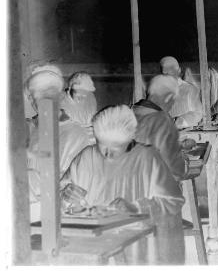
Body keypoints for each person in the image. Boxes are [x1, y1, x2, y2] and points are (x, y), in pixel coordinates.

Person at [61, 105, 185, 264]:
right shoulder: (87, 156)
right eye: (102, 144)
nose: (107, 153)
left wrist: (135, 208)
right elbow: (58, 197)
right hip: (92, 248)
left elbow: (173, 202)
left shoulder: (147, 157)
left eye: (115, 146)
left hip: (134, 250)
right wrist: (66, 195)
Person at [25, 67, 95, 221]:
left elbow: (77, 188)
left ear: (59, 96)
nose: (44, 104)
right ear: (31, 100)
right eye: (37, 98)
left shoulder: (76, 135)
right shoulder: (24, 130)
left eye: (50, 96)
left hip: (53, 215)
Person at [133, 75, 186, 181]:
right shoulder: (162, 120)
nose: (171, 107)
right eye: (173, 102)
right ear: (168, 97)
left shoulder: (128, 113)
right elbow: (176, 168)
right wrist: (186, 162)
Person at [160, 56, 203, 129]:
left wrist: (178, 122)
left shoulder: (189, 89)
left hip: (186, 135)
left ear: (178, 71)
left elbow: (198, 114)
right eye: (164, 74)